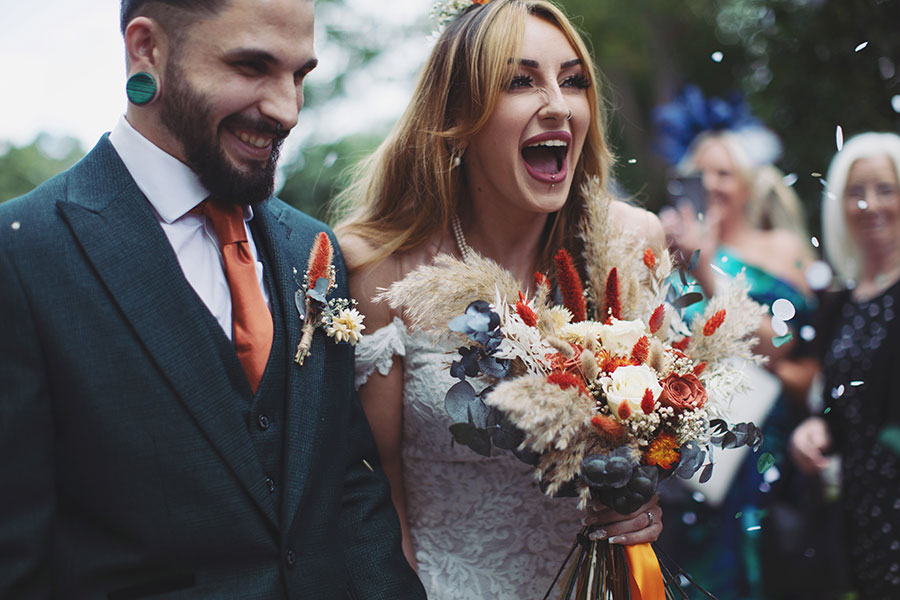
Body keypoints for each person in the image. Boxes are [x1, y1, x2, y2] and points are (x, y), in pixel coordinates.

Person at [0, 0, 425, 597]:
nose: (287, 109)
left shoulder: (312, 248)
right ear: (146, 49)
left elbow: (349, 495)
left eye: (299, 75)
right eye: (252, 66)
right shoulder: (21, 255)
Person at [334, 1, 664, 597]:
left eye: (572, 81)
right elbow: (376, 494)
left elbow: (658, 441)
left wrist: (641, 504)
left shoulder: (628, 244)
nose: (558, 106)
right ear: (458, 117)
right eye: (520, 82)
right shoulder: (383, 270)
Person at [657, 124, 818, 597]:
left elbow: (781, 342)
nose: (710, 185)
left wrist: (704, 268)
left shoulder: (782, 250)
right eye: (698, 174)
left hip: (765, 455)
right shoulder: (668, 256)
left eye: (723, 173)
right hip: (693, 452)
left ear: (749, 183)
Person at [789, 131, 900, 599]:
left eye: (885, 189)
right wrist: (813, 429)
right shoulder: (839, 303)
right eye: (856, 192)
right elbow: (840, 401)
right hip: (859, 510)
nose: (869, 205)